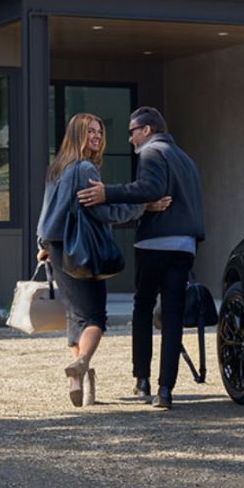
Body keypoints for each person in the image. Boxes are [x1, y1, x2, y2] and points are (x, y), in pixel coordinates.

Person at [36, 113, 171, 407]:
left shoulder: (56, 168)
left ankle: (83, 386)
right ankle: (81, 362)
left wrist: (43, 244)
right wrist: (143, 207)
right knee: (96, 317)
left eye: (99, 132)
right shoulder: (85, 168)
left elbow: (46, 214)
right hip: (82, 249)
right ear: (77, 134)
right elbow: (103, 211)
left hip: (56, 249)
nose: (97, 137)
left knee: (76, 317)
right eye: (90, 132)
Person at [78, 106, 205, 410]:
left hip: (154, 243)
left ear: (147, 130)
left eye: (133, 131)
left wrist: (107, 193)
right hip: (185, 245)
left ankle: (143, 381)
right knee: (173, 315)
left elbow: (149, 188)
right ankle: (166, 391)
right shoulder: (187, 160)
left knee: (143, 307)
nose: (131, 139)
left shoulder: (151, 152)